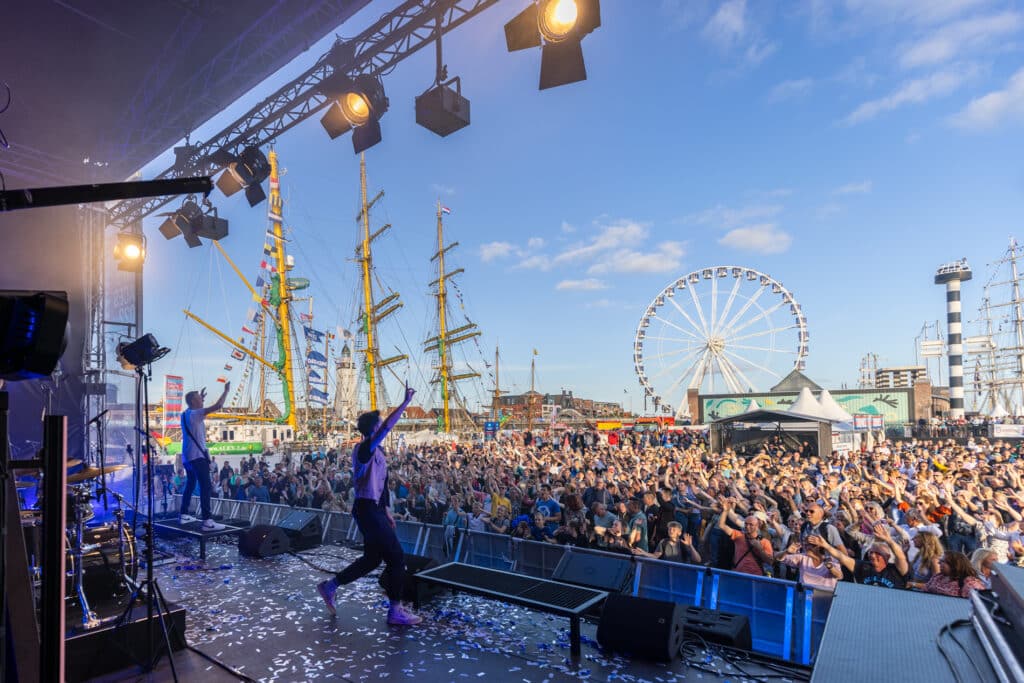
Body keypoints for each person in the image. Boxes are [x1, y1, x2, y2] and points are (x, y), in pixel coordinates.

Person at [316, 385, 422, 626]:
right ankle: (395, 611)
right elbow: (386, 427)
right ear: (373, 429)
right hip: (366, 509)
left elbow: (382, 485)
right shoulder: (364, 449)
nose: (383, 427)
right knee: (396, 557)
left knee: (372, 559)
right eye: (380, 425)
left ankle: (329, 586)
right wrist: (404, 403)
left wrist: (386, 511)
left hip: (373, 510)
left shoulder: (378, 452)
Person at [179, 382, 230, 531]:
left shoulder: (185, 414)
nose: (202, 401)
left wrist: (199, 397)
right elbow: (218, 406)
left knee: (190, 483)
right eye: (200, 400)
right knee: (206, 486)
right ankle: (207, 520)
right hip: (197, 456)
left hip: (187, 457)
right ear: (194, 402)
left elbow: (194, 406)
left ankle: (183, 514)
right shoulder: (196, 414)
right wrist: (226, 391)